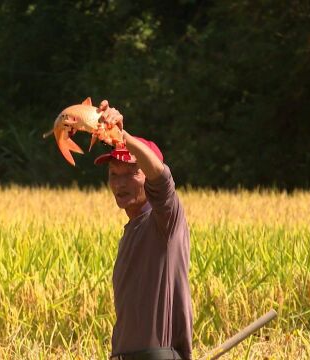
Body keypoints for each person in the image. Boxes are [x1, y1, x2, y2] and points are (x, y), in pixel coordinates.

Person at [95, 100, 193, 360]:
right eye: (114, 174)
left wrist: (123, 137)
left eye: (131, 173)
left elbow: (161, 180)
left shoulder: (165, 221)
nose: (120, 183)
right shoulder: (131, 231)